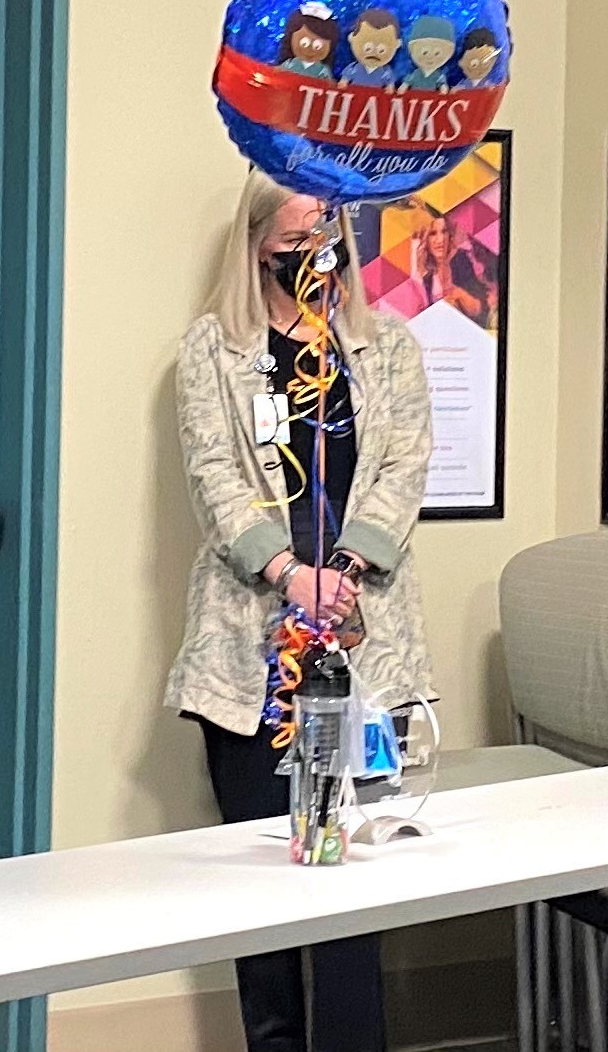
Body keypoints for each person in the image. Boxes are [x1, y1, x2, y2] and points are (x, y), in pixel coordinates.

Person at [164, 170, 436, 1052]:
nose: (309, 261)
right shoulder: (211, 350)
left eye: (324, 245)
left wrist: (345, 569)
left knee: (353, 885)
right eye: (290, 248)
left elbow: (404, 467)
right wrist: (287, 573)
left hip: (363, 642)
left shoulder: (386, 347)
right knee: (266, 895)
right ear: (254, 247)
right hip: (251, 655)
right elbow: (214, 477)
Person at [411, 203, 497, 330]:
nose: (440, 240)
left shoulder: (460, 260)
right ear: (425, 239)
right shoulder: (423, 271)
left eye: (444, 232)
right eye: (433, 234)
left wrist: (458, 294)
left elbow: (480, 308)